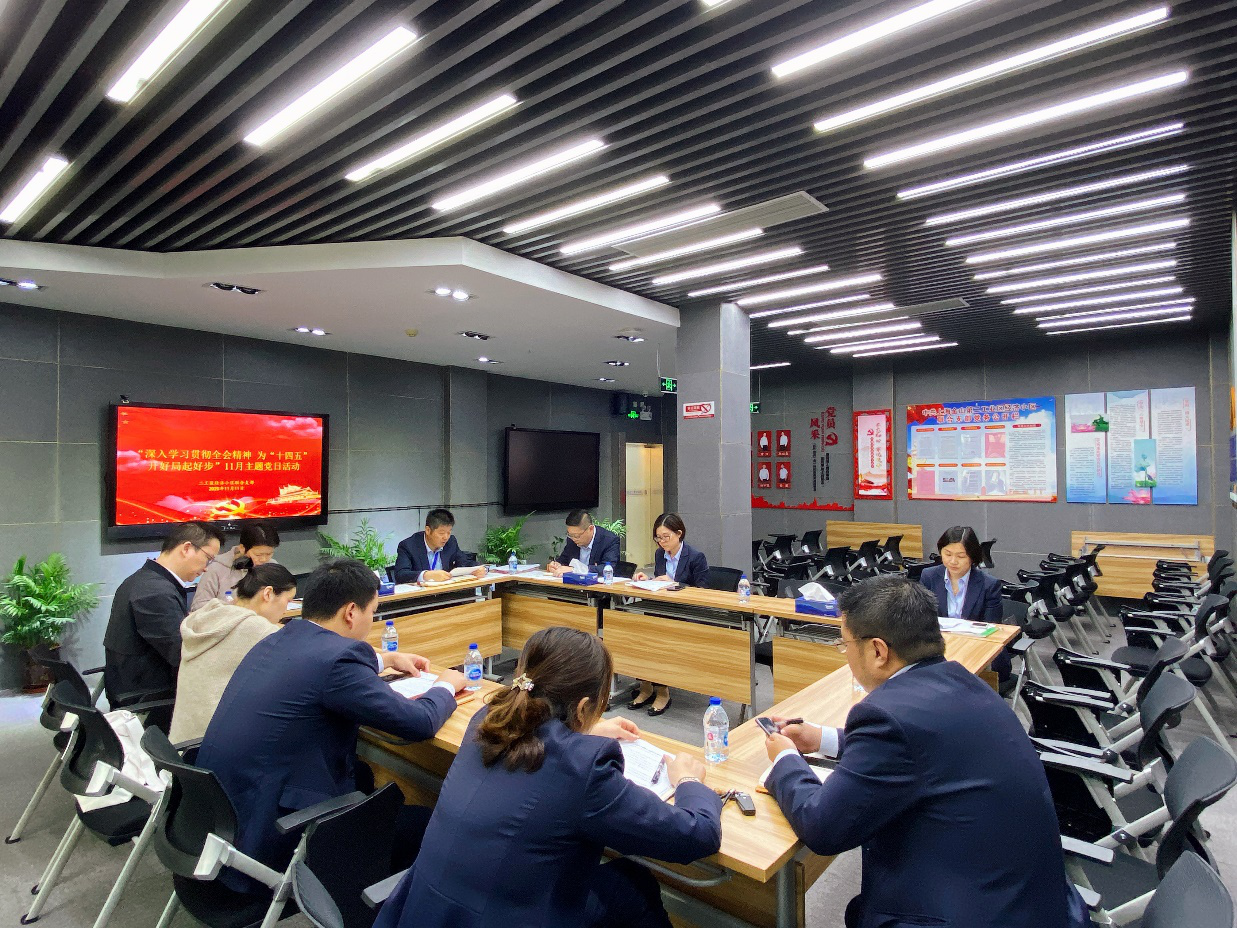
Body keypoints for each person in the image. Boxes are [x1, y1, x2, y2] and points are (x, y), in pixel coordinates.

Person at [762, 576, 1088, 928]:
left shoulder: (886, 716)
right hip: (1031, 901)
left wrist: (785, 758)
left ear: (878, 651)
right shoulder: (963, 681)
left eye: (845, 644)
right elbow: (917, 747)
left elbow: (822, 827)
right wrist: (821, 738)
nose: (846, 654)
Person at [372, 626, 722, 928]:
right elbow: (697, 835)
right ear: (583, 707)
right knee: (633, 882)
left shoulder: (487, 719)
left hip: (426, 912)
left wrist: (580, 732)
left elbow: (539, 743)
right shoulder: (585, 767)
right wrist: (688, 781)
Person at [197, 558, 468, 887]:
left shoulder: (278, 638)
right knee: (428, 823)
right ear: (351, 612)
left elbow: (319, 668)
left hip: (222, 821)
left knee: (366, 775)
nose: (372, 620)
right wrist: (445, 685)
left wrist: (387, 658)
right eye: (372, 612)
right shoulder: (339, 660)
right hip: (274, 835)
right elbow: (419, 722)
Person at [169, 563, 297, 743]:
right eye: (288, 600)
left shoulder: (208, 616)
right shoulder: (257, 630)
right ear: (268, 594)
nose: (286, 609)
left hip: (182, 741)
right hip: (214, 745)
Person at [104, 521, 225, 709]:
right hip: (149, 698)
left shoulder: (144, 580)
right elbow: (182, 654)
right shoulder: (155, 593)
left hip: (137, 685)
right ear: (186, 548)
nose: (206, 568)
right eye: (208, 558)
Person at [630, 512, 709, 716]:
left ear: (679, 534)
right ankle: (646, 686)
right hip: (662, 609)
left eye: (666, 537)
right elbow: (660, 582)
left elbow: (702, 592)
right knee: (638, 632)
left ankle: (663, 691)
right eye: (658, 538)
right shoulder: (660, 554)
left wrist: (675, 583)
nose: (662, 542)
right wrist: (647, 580)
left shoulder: (695, 557)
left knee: (660, 636)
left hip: (686, 613)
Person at [920, 525, 1009, 685]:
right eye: (947, 554)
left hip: (977, 651)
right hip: (939, 651)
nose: (953, 561)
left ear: (972, 557)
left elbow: (991, 630)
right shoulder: (929, 576)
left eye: (961, 556)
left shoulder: (989, 585)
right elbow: (922, 619)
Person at [189, 521, 280, 611]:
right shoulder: (216, 568)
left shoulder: (273, 567)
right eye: (258, 555)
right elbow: (198, 607)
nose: (264, 559)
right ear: (242, 548)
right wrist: (230, 607)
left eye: (269, 554)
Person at [393, 508, 486, 583]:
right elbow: (401, 574)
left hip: (446, 593)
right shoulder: (408, 546)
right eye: (441, 533)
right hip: (421, 597)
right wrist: (426, 575)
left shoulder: (451, 542)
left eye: (449, 532)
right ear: (428, 530)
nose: (446, 537)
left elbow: (463, 562)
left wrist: (477, 568)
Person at [546, 510, 621, 576]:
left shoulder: (609, 540)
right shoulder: (571, 540)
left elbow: (608, 568)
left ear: (590, 529)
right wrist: (556, 565)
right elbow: (563, 560)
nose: (574, 539)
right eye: (570, 535)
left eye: (577, 536)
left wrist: (575, 570)